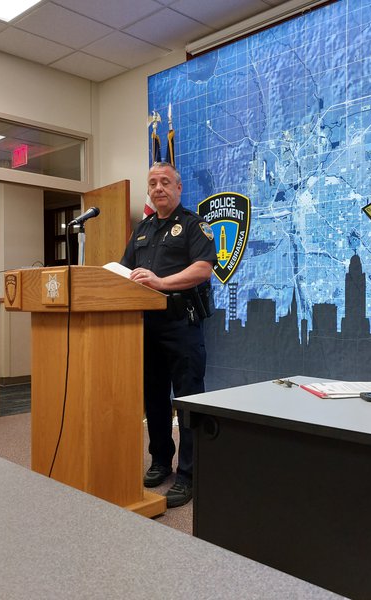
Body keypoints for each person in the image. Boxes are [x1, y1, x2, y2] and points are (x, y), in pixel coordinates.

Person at [120, 161, 216, 508]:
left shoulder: (193, 225)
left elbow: (203, 269)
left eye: (165, 182)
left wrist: (160, 283)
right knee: (155, 399)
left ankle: (190, 473)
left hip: (181, 324)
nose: (158, 188)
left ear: (178, 188)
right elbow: (125, 271)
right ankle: (161, 461)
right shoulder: (142, 230)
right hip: (147, 326)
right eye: (152, 183)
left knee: (188, 400)